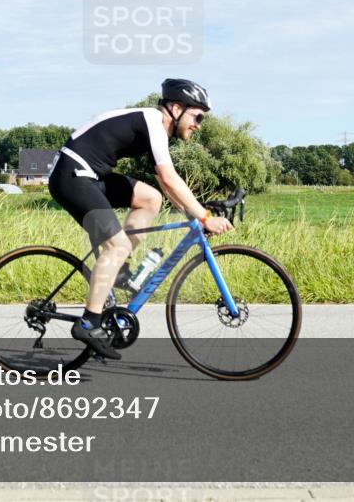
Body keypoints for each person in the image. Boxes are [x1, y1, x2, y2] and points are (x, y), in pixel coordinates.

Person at [48, 78, 233, 359]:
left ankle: (118, 268)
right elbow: (170, 178)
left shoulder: (156, 128)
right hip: (72, 177)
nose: (198, 124)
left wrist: (193, 213)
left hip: (92, 176)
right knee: (117, 246)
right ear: (175, 107)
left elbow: (164, 186)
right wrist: (205, 217)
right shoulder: (154, 122)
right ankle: (89, 322)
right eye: (197, 117)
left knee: (150, 198)